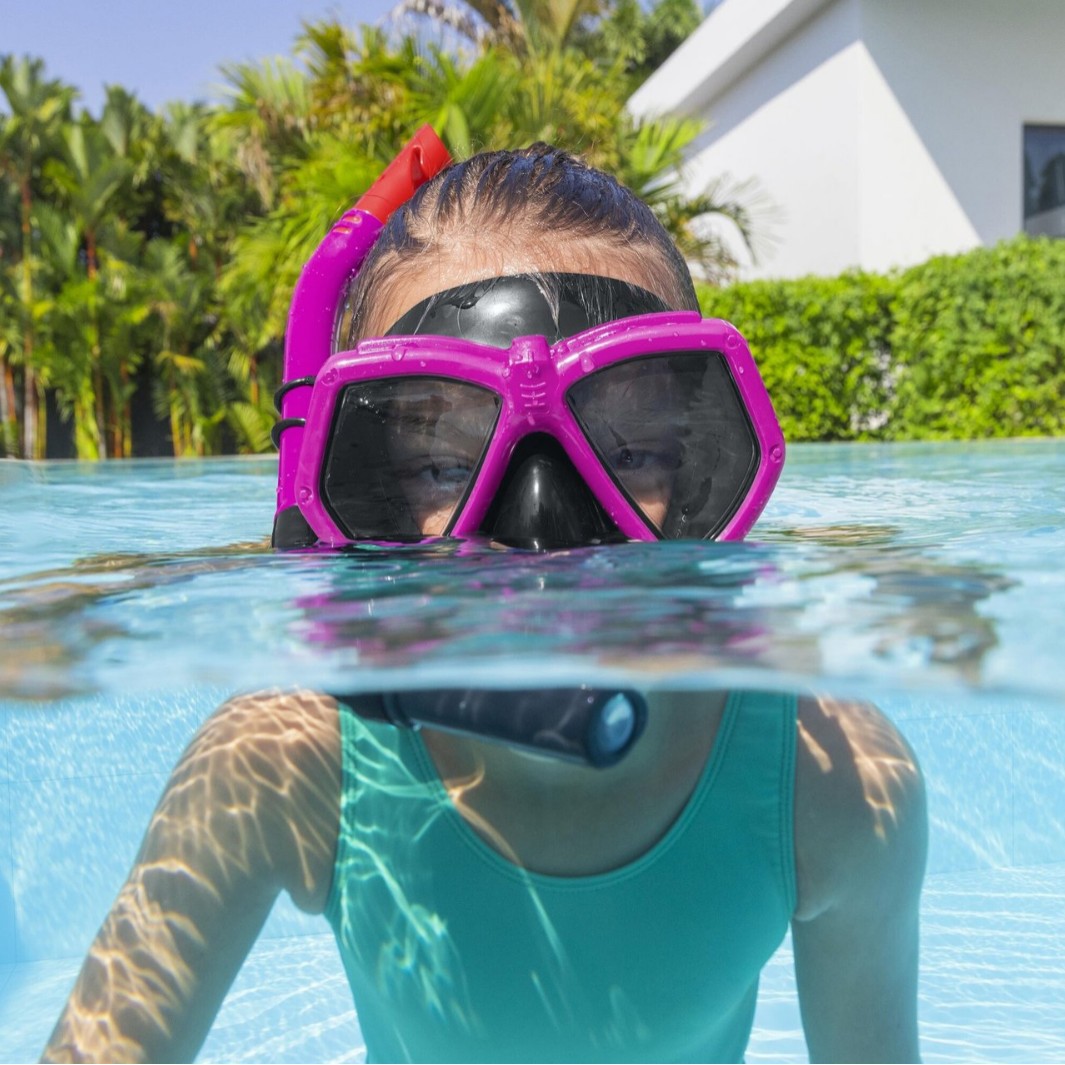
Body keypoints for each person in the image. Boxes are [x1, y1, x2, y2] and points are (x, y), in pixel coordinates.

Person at [42, 140, 927, 1064]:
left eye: (629, 453)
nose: (543, 541)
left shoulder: (832, 781)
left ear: (703, 467)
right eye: (439, 464)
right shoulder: (288, 756)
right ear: (366, 493)